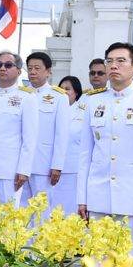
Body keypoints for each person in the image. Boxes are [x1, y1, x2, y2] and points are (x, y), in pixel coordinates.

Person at [76, 43, 133, 256]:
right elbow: (85, 154)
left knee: (127, 261)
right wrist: (83, 198)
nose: (113, 66)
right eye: (109, 61)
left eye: (120, 61)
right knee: (97, 260)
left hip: (132, 198)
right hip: (98, 195)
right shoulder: (94, 100)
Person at [0, 51, 39, 205]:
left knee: (7, 215)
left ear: (18, 70)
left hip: (9, 169)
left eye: (8, 65)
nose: (2, 68)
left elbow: (29, 138)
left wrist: (24, 169)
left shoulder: (27, 97)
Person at [24, 52, 70, 219]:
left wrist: (57, 165)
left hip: (43, 163)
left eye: (37, 68)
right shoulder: (22, 94)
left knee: (41, 211)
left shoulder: (58, 97)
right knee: (21, 210)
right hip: (20, 163)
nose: (33, 72)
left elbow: (61, 134)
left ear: (48, 72)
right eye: (29, 68)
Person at [57, 75, 87, 217]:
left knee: (69, 213)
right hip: (51, 170)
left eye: (68, 89)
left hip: (73, 171)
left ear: (76, 93)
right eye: (60, 89)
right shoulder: (53, 111)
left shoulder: (83, 112)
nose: (63, 92)